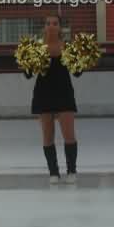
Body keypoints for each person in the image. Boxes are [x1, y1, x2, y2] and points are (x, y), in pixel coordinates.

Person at [29, 15, 79, 185]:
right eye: (48, 23)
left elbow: (77, 73)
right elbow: (28, 74)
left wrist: (80, 60)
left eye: (55, 23)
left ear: (60, 27)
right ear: (44, 27)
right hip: (43, 94)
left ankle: (71, 171)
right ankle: (53, 172)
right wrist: (29, 62)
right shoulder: (37, 48)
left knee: (69, 135)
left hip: (64, 93)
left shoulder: (67, 47)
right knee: (47, 136)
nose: (51, 26)